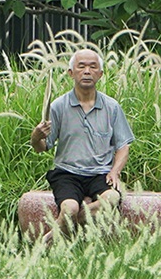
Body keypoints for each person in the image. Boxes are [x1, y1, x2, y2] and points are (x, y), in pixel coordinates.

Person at [31, 47, 133, 231]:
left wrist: (115, 171)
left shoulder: (112, 107)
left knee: (112, 198)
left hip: (100, 174)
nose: (87, 71)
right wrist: (35, 137)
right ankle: (67, 221)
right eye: (81, 66)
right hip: (67, 174)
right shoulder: (58, 106)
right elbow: (42, 147)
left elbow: (123, 145)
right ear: (71, 73)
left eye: (93, 67)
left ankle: (53, 235)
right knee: (69, 208)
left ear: (100, 74)